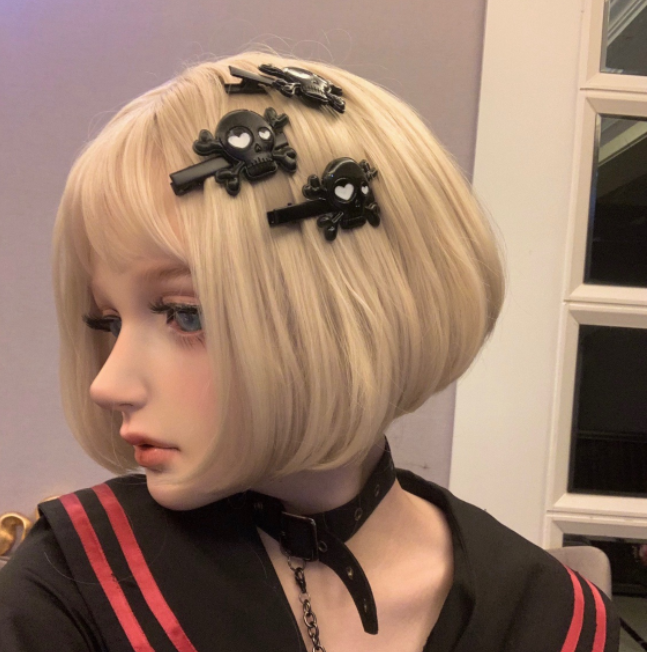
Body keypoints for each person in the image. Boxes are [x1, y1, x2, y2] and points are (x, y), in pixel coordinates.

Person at [0, 53, 619, 652]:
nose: (106, 385)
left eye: (186, 314)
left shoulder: (551, 615)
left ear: (355, 312)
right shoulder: (75, 582)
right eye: (108, 322)